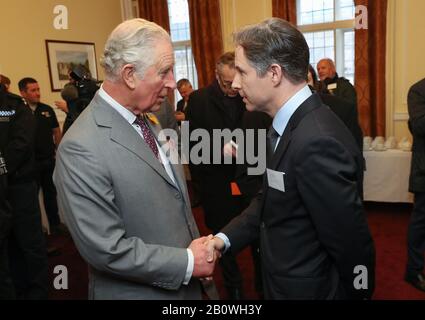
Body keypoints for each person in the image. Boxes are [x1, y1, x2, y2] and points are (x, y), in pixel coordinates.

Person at [207, 18, 375, 300]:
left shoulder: (317, 141)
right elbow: (270, 198)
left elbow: (351, 244)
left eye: (242, 72)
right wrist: (222, 240)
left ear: (274, 73)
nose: (235, 84)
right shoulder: (288, 124)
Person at [53, 18, 218, 300]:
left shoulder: (148, 118)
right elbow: (107, 250)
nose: (172, 84)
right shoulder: (80, 147)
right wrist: (188, 262)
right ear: (129, 74)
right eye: (164, 72)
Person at [185, 52, 247, 299]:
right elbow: (190, 145)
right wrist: (216, 149)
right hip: (217, 185)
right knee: (222, 236)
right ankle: (234, 286)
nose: (232, 89)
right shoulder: (199, 100)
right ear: (215, 75)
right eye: (225, 83)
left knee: (256, 234)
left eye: (235, 82)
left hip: (247, 179)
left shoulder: (249, 92)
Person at [0, 81, 48, 299]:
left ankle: (38, 292)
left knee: (29, 243)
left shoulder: (14, 106)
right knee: (8, 245)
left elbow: (21, 145)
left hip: (19, 186)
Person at [18, 77, 65, 235]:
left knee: (51, 194)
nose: (38, 93)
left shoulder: (46, 109)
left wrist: (58, 152)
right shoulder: (18, 111)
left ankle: (55, 225)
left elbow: (56, 131)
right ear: (23, 92)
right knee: (31, 200)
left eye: (38, 89)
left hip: (48, 160)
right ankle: (37, 230)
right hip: (29, 164)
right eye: (33, 90)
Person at [308, 65, 363, 153]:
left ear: (333, 69)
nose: (320, 71)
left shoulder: (344, 85)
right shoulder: (317, 89)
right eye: (318, 69)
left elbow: (349, 108)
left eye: (323, 67)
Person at [405, 77, 425, 292]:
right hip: (424, 171)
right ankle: (414, 270)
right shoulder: (418, 90)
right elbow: (419, 125)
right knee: (420, 224)